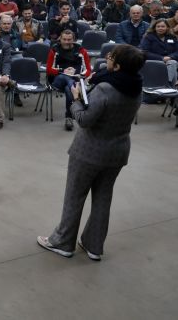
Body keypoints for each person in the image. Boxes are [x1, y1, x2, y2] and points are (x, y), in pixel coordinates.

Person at [37, 44, 145, 261]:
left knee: (74, 196)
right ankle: (93, 245)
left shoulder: (105, 88)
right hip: (117, 151)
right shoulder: (136, 88)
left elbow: (85, 120)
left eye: (112, 56)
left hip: (90, 151)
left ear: (118, 65)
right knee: (103, 198)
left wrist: (76, 100)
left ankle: (63, 242)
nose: (108, 58)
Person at [46, 30, 92, 131]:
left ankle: (69, 118)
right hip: (58, 80)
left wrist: (79, 75)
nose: (66, 42)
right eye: (64, 39)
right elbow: (48, 70)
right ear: (60, 39)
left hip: (75, 79)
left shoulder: (81, 51)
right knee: (66, 79)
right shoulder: (54, 50)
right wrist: (63, 71)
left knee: (69, 89)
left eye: (69, 39)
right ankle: (77, 93)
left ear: (74, 40)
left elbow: (88, 70)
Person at [140, 18, 178, 83]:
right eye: (158, 26)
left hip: (170, 60)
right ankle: (168, 84)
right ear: (155, 28)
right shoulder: (148, 37)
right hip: (154, 60)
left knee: (172, 62)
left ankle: (168, 83)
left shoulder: (172, 37)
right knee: (173, 64)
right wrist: (161, 58)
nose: (160, 28)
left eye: (163, 26)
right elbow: (145, 52)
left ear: (167, 28)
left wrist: (170, 57)